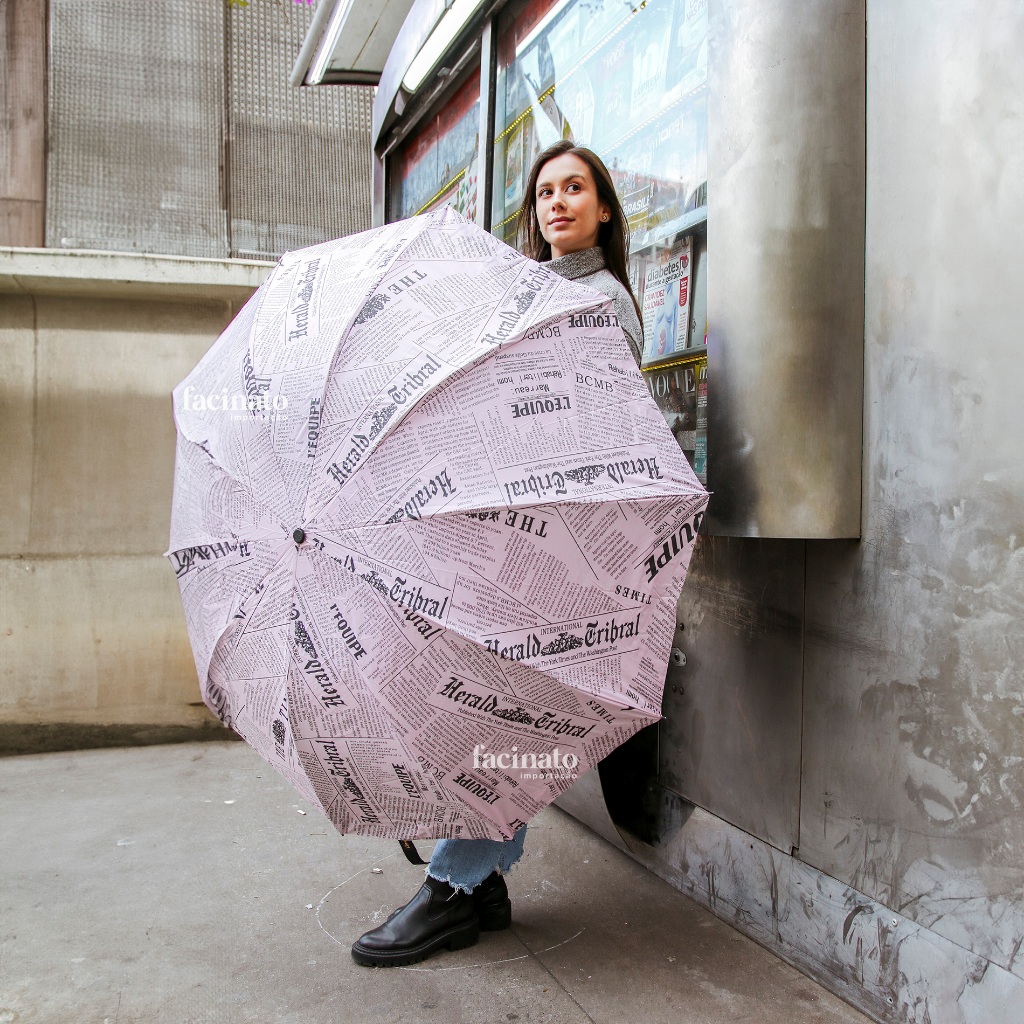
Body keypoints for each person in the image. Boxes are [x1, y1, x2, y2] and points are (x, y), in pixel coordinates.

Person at [350, 140, 643, 968]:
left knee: (506, 718)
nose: (558, 203)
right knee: (489, 708)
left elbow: (602, 430)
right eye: (546, 191)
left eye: (576, 188)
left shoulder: (603, 302)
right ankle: (484, 884)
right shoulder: (530, 292)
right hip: (519, 533)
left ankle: (452, 886)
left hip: (566, 543)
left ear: (603, 209)